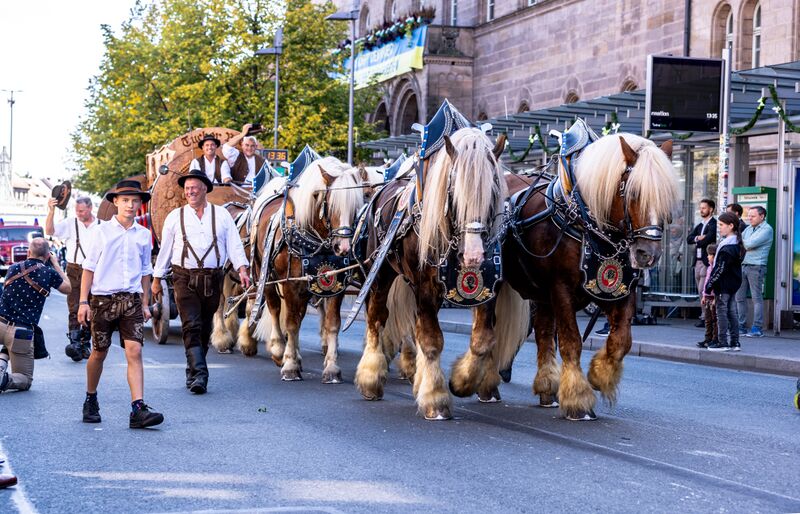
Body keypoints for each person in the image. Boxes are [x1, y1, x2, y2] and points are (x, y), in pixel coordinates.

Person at [152, 170, 250, 394]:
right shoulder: (175, 217)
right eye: (187, 189)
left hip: (213, 277)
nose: (190, 191)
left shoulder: (222, 215)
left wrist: (242, 269)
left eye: (194, 187)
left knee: (205, 327)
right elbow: (165, 250)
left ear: (205, 189)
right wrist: (157, 279)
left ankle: (193, 368)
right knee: (191, 325)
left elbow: (234, 245)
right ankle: (199, 375)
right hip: (183, 277)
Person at [78, 180, 163, 429]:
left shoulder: (144, 234)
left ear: (140, 204)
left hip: (132, 302)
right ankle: (90, 398)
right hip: (103, 301)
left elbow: (146, 271)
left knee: (134, 351)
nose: (130, 205)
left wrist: (146, 303)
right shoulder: (100, 231)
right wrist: (84, 302)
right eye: (125, 200)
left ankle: (138, 408)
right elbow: (88, 268)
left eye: (135, 200)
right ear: (115, 202)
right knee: (99, 353)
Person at [0, 238, 70, 392]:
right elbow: (68, 288)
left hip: (1, 324)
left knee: (7, 341)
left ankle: (1, 364)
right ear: (47, 256)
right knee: (24, 379)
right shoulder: (49, 272)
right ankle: (4, 379)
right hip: (20, 332)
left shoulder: (13, 268)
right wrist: (56, 264)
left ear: (28, 252)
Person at [45, 195, 101, 361]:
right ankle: (75, 343)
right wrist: (51, 211)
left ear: (90, 208)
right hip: (75, 270)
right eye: (76, 210)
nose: (78, 213)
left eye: (82, 210)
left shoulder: (102, 226)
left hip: (96, 271)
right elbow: (49, 231)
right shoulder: (71, 223)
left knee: (93, 307)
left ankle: (85, 343)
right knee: (74, 306)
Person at [704, 212, 744, 352]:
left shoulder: (726, 247)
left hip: (724, 285)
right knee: (732, 311)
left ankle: (722, 342)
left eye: (721, 225)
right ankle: (735, 342)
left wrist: (709, 286)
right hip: (733, 284)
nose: (719, 228)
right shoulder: (736, 244)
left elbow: (719, 269)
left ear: (731, 226)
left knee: (721, 311)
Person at [736, 205, 774, 338]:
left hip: (757, 266)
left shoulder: (767, 229)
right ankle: (741, 326)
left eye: (752, 216)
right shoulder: (749, 229)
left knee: (756, 298)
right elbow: (740, 242)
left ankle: (757, 328)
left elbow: (748, 244)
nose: (749, 218)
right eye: (749, 215)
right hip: (744, 265)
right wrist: (743, 241)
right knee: (739, 297)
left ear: (762, 216)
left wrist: (743, 241)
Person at [687, 199, 717, 327]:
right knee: (700, 291)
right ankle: (704, 316)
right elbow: (689, 239)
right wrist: (698, 238)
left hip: (706, 261)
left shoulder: (714, 224)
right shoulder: (700, 225)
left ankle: (705, 317)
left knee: (703, 289)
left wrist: (698, 240)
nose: (701, 210)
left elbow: (708, 239)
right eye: (701, 208)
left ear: (710, 209)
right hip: (697, 261)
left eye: (704, 208)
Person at [696, 244, 718, 348]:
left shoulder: (716, 268)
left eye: (709, 255)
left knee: (715, 319)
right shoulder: (709, 268)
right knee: (708, 319)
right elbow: (706, 283)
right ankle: (707, 337)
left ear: (714, 256)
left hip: (713, 297)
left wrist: (715, 298)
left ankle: (714, 338)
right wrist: (704, 295)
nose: (708, 257)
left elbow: (716, 284)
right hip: (708, 296)